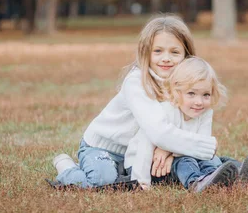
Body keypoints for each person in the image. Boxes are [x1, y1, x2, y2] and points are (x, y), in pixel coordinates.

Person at [52, 14, 217, 188]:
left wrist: (170, 152)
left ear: (186, 55)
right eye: (158, 51)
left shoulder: (185, 86)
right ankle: (67, 168)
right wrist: (207, 146)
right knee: (102, 181)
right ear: (146, 53)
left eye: (174, 52)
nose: (166, 58)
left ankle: (228, 172)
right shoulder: (137, 82)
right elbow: (159, 132)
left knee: (191, 165)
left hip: (141, 153)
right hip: (104, 148)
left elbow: (178, 128)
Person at [125, 56, 242, 192]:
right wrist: (140, 181)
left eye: (206, 95)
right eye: (191, 93)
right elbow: (144, 148)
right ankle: (197, 183)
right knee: (187, 160)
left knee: (213, 159)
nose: (199, 102)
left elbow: (200, 146)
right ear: (176, 92)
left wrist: (169, 152)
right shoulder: (166, 111)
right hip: (148, 165)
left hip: (173, 159)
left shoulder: (205, 112)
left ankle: (229, 174)